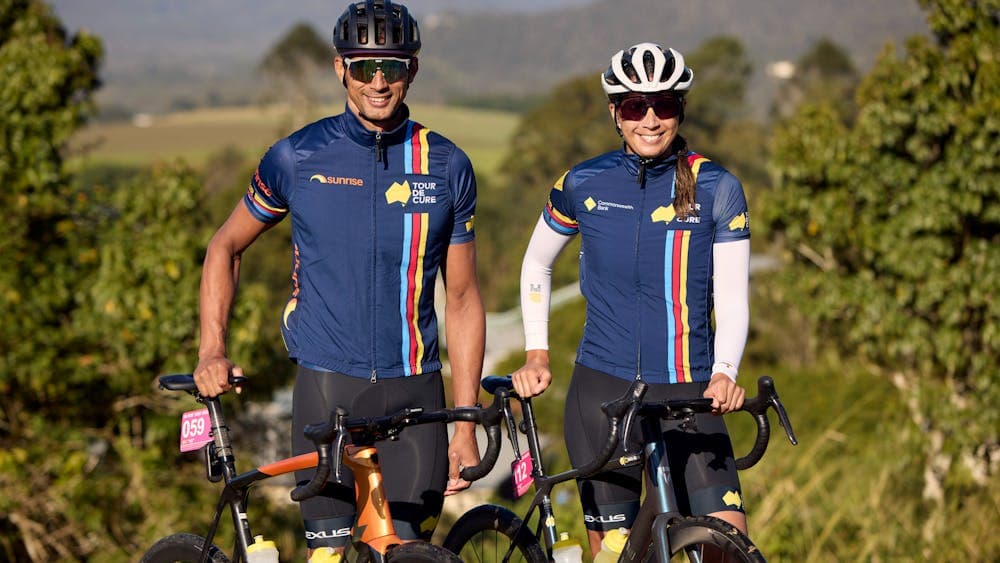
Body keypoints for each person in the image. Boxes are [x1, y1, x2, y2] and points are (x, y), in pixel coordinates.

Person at [193, 0, 485, 556]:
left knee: (402, 551)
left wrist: (465, 423)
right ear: (339, 69)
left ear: (412, 71)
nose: (378, 82)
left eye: (393, 67)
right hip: (328, 389)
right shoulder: (297, 156)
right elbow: (224, 246)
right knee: (327, 554)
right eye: (363, 67)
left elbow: (465, 299)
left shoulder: (447, 165)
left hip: (415, 393)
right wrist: (212, 349)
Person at [511, 42, 752, 558]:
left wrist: (726, 370)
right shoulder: (583, 182)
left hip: (690, 390)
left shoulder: (718, 187)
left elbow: (732, 298)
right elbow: (536, 263)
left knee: (727, 545)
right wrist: (536, 352)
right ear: (615, 114)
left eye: (662, 105)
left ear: (680, 109)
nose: (649, 119)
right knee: (616, 550)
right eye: (633, 106)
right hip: (603, 391)